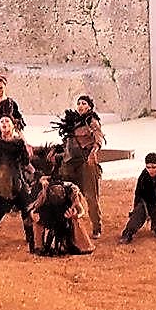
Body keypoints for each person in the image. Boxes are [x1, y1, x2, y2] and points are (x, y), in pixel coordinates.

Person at [0, 115, 35, 252]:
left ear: (13, 125)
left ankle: (31, 238)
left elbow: (25, 163)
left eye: (7, 121)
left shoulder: (19, 143)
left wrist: (36, 174)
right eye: (1, 121)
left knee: (27, 210)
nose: (4, 123)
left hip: (17, 183)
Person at [27, 146, 95, 256]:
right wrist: (34, 216)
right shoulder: (46, 192)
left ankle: (82, 245)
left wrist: (75, 216)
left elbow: (82, 211)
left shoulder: (72, 191)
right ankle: (39, 246)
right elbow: (33, 209)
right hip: (51, 212)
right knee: (38, 220)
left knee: (75, 220)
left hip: (66, 212)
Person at [55, 95, 105, 239]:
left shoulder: (91, 121)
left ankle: (96, 227)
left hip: (85, 163)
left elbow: (99, 138)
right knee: (65, 193)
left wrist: (93, 153)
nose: (81, 106)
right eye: (79, 103)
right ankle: (67, 224)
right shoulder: (72, 121)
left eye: (84, 103)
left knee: (91, 196)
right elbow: (67, 143)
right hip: (70, 163)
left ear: (89, 106)